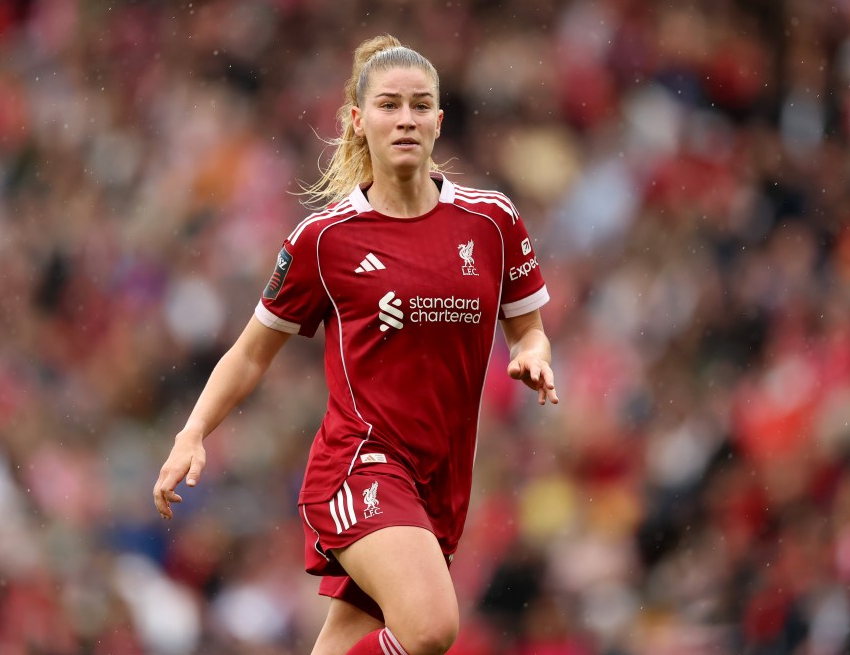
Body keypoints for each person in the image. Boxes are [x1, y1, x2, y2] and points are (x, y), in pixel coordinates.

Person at [153, 34, 557, 655]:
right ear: (357, 119)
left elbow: (527, 325)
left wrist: (532, 351)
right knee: (430, 629)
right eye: (389, 105)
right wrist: (193, 431)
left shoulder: (492, 221)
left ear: (440, 120)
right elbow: (252, 351)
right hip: (360, 464)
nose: (405, 119)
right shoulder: (326, 238)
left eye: (420, 106)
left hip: (442, 481)